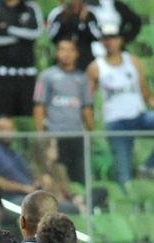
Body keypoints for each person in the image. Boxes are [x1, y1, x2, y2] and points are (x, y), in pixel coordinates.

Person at [87, 25, 154, 185]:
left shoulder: (133, 62)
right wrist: (91, 126)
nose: (110, 42)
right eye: (106, 38)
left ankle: (148, 166)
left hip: (139, 115)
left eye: (113, 38)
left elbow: (145, 93)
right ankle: (127, 201)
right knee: (124, 175)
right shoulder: (96, 67)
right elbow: (88, 99)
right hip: (116, 122)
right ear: (102, 41)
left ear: (120, 40)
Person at [33, 38, 94, 186]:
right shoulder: (47, 76)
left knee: (80, 175)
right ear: (56, 52)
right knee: (57, 174)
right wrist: (41, 133)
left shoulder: (82, 78)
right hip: (56, 134)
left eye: (70, 50)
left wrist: (91, 132)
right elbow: (39, 105)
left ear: (76, 53)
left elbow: (86, 107)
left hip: (77, 134)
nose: (66, 54)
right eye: (62, 49)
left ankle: (80, 204)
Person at [0, 0, 42, 118]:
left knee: (27, 118)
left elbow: (36, 32)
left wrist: (8, 29)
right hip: (1, 74)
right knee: (3, 118)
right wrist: (23, 37)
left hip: (26, 73)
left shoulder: (31, 7)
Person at [0, 116, 38, 203]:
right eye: (2, 128)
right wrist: (22, 188)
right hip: (8, 200)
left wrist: (37, 182)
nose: (6, 132)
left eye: (10, 128)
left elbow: (30, 175)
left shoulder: (16, 153)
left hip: (29, 196)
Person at [45, 0, 102, 72]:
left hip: (84, 57)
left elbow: (98, 36)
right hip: (63, 57)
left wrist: (84, 22)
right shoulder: (59, 13)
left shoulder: (90, 14)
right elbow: (51, 36)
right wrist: (63, 20)